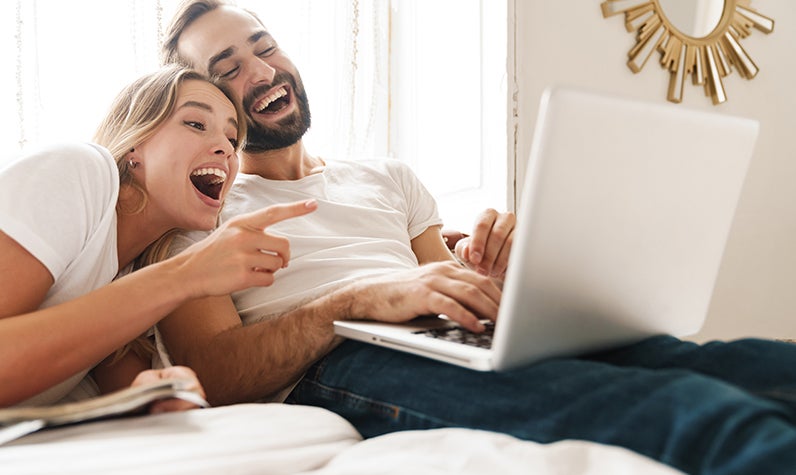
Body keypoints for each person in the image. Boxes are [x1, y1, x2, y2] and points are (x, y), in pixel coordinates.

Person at [158, 2, 796, 473]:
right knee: (698, 413)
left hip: (448, 336)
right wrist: (352, 301)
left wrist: (496, 278)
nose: (260, 71)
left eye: (263, 46)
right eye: (227, 68)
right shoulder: (199, 205)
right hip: (345, 362)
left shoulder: (387, 175)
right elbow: (213, 373)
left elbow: (446, 285)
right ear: (200, 99)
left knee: (751, 366)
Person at [0, 64, 317, 410]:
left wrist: (156, 396)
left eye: (232, 140)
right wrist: (186, 274)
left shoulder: (132, 266)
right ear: (135, 142)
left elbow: (121, 386)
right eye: (196, 124)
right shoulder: (79, 171)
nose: (226, 150)